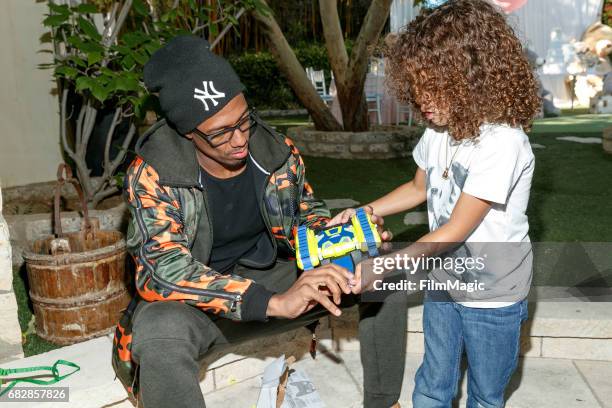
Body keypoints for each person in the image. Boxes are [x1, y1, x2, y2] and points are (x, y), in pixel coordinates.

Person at [111, 35, 406, 408]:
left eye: (243, 120)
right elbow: (162, 271)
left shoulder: (275, 153)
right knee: (158, 332)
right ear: (187, 132)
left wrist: (337, 238)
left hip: (270, 274)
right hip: (200, 303)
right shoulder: (154, 174)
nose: (239, 140)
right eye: (220, 132)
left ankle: (384, 403)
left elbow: (305, 213)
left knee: (386, 268)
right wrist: (269, 302)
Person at [331, 1, 541, 407]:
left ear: (473, 79)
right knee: (432, 381)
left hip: (493, 293)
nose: (421, 100)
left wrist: (386, 264)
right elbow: (418, 187)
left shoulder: (502, 142)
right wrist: (366, 211)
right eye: (416, 86)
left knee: (486, 392)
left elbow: (457, 228)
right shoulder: (438, 131)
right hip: (446, 280)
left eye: (434, 86)